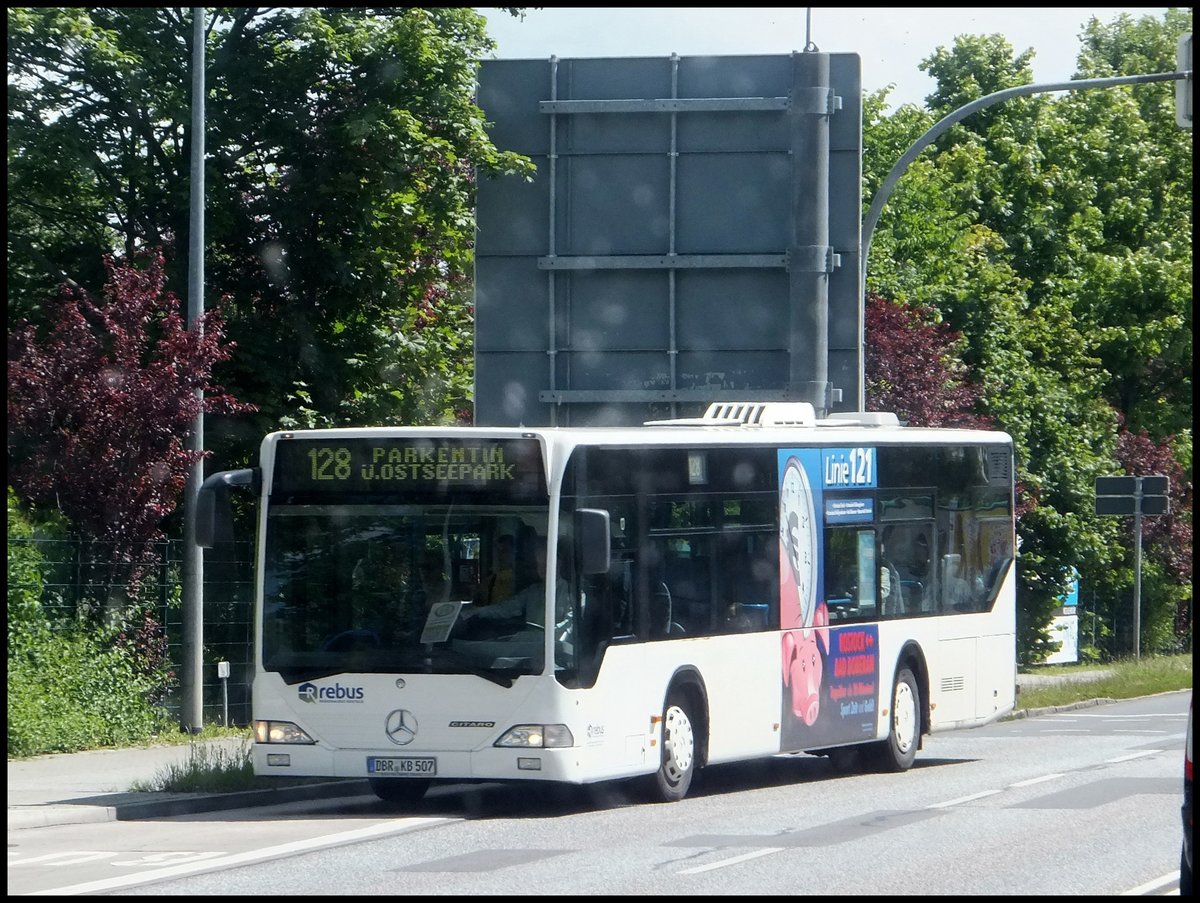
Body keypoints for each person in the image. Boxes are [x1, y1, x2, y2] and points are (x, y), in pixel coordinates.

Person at [474, 533, 515, 607]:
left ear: (515, 553)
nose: (500, 556)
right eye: (498, 551)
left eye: (505, 551)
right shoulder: (492, 579)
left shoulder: (518, 579)